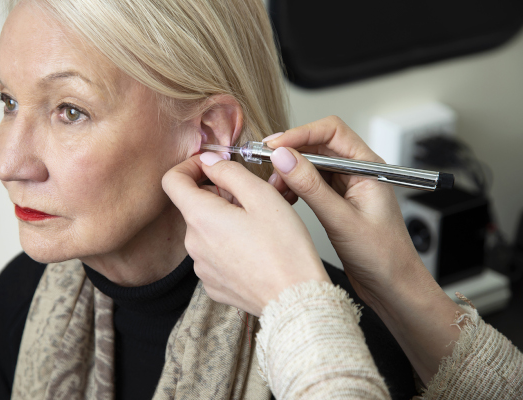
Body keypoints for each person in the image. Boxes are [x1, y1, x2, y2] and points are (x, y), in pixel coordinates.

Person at [0, 0, 419, 399]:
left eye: (71, 111)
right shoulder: (18, 299)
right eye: (9, 101)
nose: (9, 164)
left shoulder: (350, 350)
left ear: (208, 133)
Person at [162, 117, 523, 399]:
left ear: (212, 129)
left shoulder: (376, 354)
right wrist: (392, 281)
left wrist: (291, 297)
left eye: (100, 115)